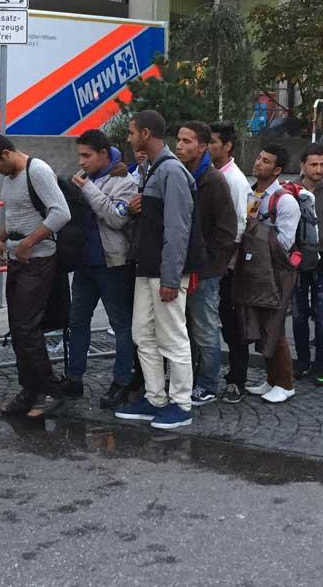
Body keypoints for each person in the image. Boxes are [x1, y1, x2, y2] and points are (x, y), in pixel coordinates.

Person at [0, 132, 70, 418]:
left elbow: (61, 213)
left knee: (27, 327)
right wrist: (0, 237)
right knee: (19, 328)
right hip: (18, 257)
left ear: (6, 154)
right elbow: (15, 212)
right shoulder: (9, 176)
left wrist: (29, 242)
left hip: (38, 259)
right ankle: (30, 389)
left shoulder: (37, 171)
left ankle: (49, 390)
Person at [113, 110, 195, 428]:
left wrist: (171, 277)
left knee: (172, 337)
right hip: (147, 267)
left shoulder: (171, 171)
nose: (130, 137)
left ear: (146, 133)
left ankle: (181, 403)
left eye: (133, 132)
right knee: (142, 334)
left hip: (164, 271)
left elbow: (177, 228)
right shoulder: (153, 169)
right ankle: (155, 397)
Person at [66, 129, 138, 410]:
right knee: (77, 322)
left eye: (87, 156)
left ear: (103, 154)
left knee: (121, 325)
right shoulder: (87, 177)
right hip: (85, 264)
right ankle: (74, 377)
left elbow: (116, 218)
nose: (81, 162)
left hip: (113, 264)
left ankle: (121, 382)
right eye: (79, 156)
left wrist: (87, 189)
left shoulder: (123, 180)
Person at [233, 144, 300, 404]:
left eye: (266, 161)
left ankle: (285, 382)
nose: (259, 163)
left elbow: (284, 243)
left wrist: (256, 232)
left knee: (275, 326)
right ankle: (272, 379)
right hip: (255, 271)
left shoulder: (285, 201)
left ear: (278, 169)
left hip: (276, 273)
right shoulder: (252, 193)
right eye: (259, 158)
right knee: (261, 324)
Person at [176, 121, 236, 406]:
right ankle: (187, 378)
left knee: (204, 328)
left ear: (202, 147)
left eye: (187, 141)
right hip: (184, 266)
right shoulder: (181, 174)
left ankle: (208, 383)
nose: (180, 146)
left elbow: (227, 231)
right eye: (179, 139)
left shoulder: (213, 181)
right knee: (184, 328)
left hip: (206, 270)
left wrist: (209, 264)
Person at [208, 121, 253, 405]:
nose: (208, 146)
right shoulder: (213, 174)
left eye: (213, 141)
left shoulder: (234, 180)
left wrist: (226, 265)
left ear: (227, 146)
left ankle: (237, 380)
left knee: (232, 325)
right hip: (213, 263)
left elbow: (239, 226)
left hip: (227, 267)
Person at [292, 143, 323, 384]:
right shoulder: (291, 191)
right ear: (303, 165)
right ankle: (302, 361)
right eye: (314, 164)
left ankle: (321, 364)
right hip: (298, 261)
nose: (319, 169)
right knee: (299, 314)